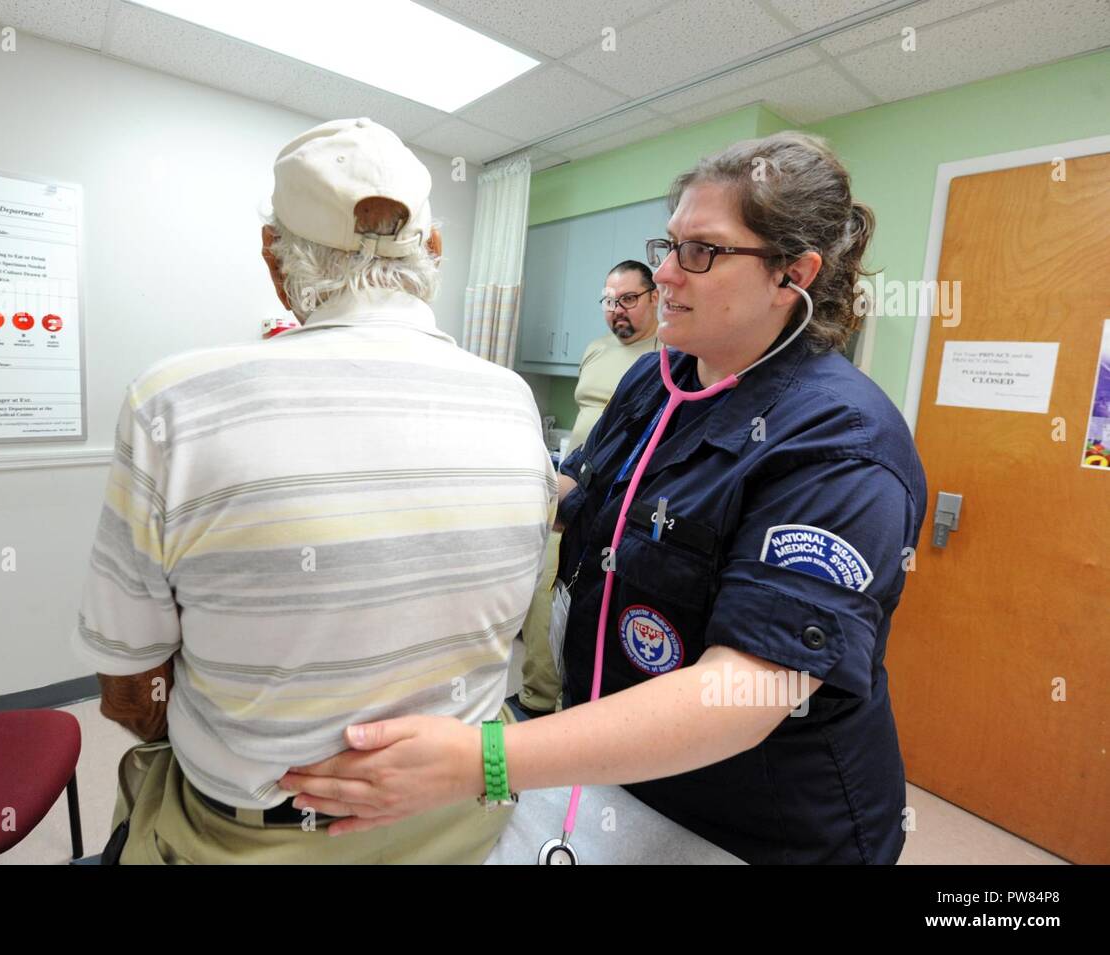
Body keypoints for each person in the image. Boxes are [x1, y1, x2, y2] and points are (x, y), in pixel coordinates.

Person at [279, 131, 928, 865]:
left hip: (756, 821)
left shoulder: (842, 442)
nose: (664, 275)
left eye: (702, 251)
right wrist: (438, 482)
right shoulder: (657, 382)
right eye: (668, 244)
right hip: (613, 767)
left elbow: (744, 691)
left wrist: (484, 758)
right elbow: (577, 495)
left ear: (793, 274)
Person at [72, 117, 556, 863]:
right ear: (433, 252)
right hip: (467, 822)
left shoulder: (171, 402)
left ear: (275, 259)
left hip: (249, 837)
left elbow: (129, 689)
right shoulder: (512, 399)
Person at [513, 260, 660, 717]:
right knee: (543, 598)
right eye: (610, 301)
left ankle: (576, 709)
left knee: (583, 606)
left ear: (655, 297)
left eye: (629, 299)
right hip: (567, 487)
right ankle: (535, 699)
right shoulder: (597, 350)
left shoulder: (667, 357)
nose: (617, 311)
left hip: (608, 502)